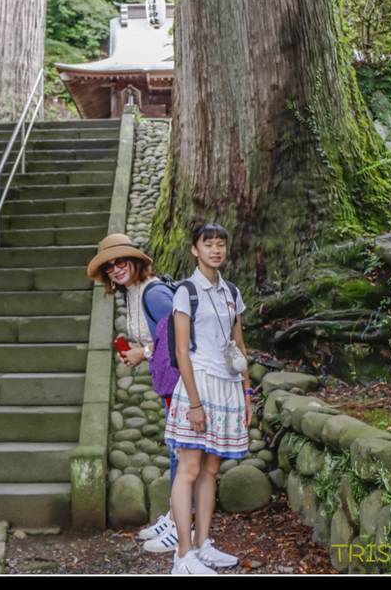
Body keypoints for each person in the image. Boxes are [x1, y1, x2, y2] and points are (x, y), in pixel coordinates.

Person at [163, 222, 252, 575]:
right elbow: (182, 351)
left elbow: (240, 347)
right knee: (189, 468)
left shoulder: (231, 290)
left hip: (228, 386)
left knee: (211, 469)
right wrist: (195, 404)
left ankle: (202, 545)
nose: (215, 250)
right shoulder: (186, 291)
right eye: (208, 244)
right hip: (198, 385)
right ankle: (183, 555)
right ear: (195, 250)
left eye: (220, 244)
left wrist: (247, 393)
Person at [87, 233, 180, 554]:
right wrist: (141, 351)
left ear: (136, 261)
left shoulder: (152, 294)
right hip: (171, 383)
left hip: (184, 385)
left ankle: (184, 526)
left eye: (120, 262)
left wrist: (144, 352)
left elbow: (183, 333)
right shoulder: (132, 293)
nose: (115, 269)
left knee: (181, 453)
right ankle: (175, 516)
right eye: (108, 267)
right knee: (175, 451)